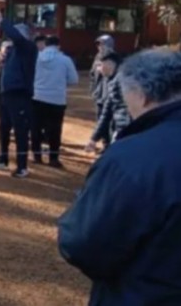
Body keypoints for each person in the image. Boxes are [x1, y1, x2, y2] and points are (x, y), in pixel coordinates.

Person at [58, 49, 181, 305]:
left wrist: (82, 208)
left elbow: (85, 244)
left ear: (143, 96)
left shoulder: (132, 156)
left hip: (143, 294)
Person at [0, 12, 38, 178]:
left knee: (20, 131)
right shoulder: (12, 52)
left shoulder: (28, 47)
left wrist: (1, 21)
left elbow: (16, 37)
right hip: (5, 95)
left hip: (20, 95)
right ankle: (3, 158)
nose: (10, 40)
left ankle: (22, 166)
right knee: (3, 127)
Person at [31, 36, 78, 167]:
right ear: (58, 46)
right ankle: (53, 158)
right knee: (55, 129)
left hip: (37, 97)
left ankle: (37, 156)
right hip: (57, 99)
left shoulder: (37, 58)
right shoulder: (65, 60)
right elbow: (74, 79)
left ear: (45, 45)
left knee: (36, 128)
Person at [85, 52, 130, 152]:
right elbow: (106, 111)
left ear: (109, 64)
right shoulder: (113, 80)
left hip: (127, 132)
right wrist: (94, 139)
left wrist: (122, 133)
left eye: (100, 65)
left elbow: (125, 111)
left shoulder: (121, 80)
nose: (98, 69)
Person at [90, 34, 115, 147]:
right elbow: (92, 74)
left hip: (109, 94)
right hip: (99, 93)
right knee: (100, 118)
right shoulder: (97, 57)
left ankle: (109, 144)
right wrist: (93, 89)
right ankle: (105, 142)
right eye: (98, 44)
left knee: (109, 120)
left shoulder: (113, 58)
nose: (99, 46)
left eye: (102, 44)